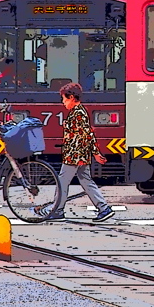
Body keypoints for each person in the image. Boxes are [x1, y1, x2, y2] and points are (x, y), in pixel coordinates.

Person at [42, 82, 114, 222]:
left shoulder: (78, 113)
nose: (63, 102)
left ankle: (57, 209)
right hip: (79, 154)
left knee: (62, 181)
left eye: (64, 99)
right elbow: (88, 134)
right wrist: (94, 152)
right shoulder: (79, 112)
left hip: (74, 155)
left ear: (72, 97)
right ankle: (104, 208)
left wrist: (95, 153)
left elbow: (87, 134)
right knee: (86, 180)